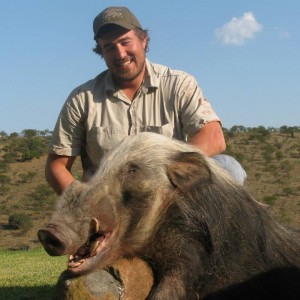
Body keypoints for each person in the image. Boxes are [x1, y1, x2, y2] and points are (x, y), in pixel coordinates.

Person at [46, 6, 246, 195]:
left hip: (168, 192)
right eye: (109, 47)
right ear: (101, 52)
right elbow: (56, 166)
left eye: (126, 42)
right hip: (111, 202)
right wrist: (84, 205)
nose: (120, 54)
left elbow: (213, 137)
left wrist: (168, 175)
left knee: (228, 168)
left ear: (143, 40)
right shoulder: (82, 99)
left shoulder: (179, 83)